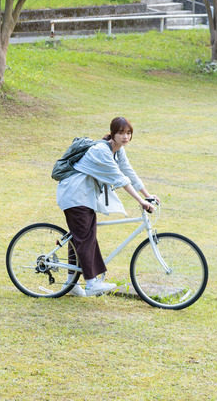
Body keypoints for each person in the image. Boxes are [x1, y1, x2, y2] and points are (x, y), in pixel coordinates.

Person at [56, 116, 158, 297]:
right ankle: (91, 283)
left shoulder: (118, 151)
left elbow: (129, 173)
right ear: (112, 134)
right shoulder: (101, 151)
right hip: (74, 194)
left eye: (128, 133)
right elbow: (120, 179)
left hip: (85, 196)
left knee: (80, 236)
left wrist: (147, 195)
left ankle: (71, 283)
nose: (125, 137)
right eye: (121, 133)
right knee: (86, 237)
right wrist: (140, 201)